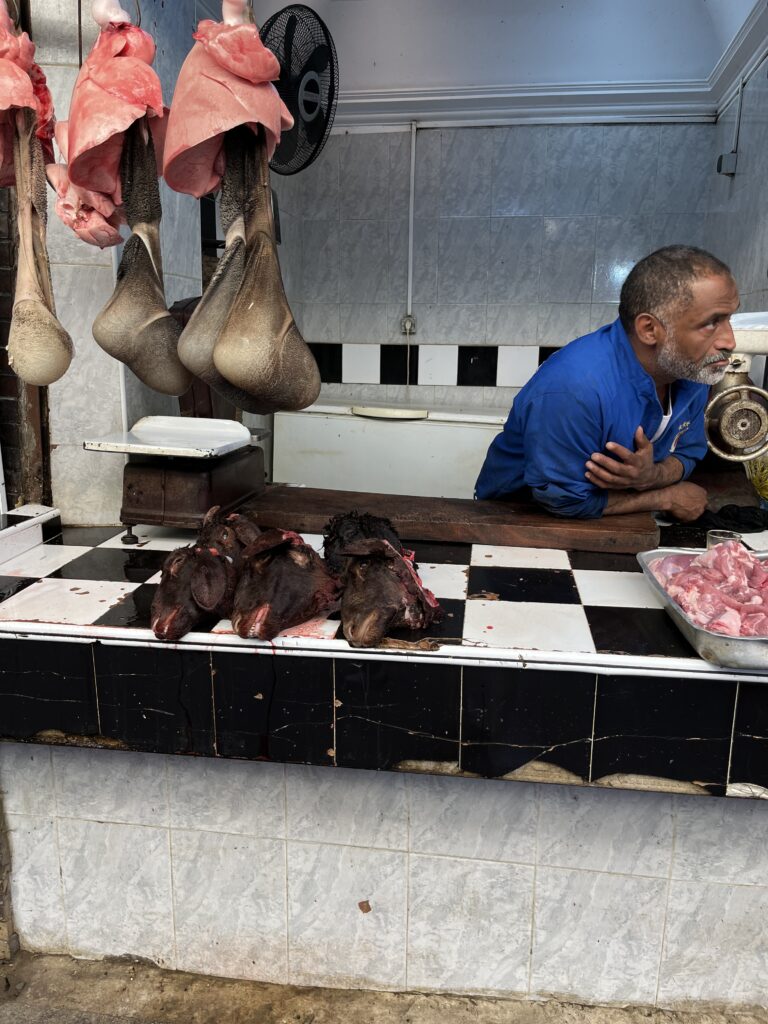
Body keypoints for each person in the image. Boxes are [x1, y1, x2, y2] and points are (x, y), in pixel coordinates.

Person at [474, 245, 740, 521]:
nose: (729, 341)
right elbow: (563, 501)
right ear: (649, 329)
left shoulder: (692, 371)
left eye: (729, 318)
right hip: (517, 520)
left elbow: (689, 451)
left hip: (610, 516)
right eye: (711, 323)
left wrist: (652, 475)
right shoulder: (574, 388)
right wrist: (665, 497)